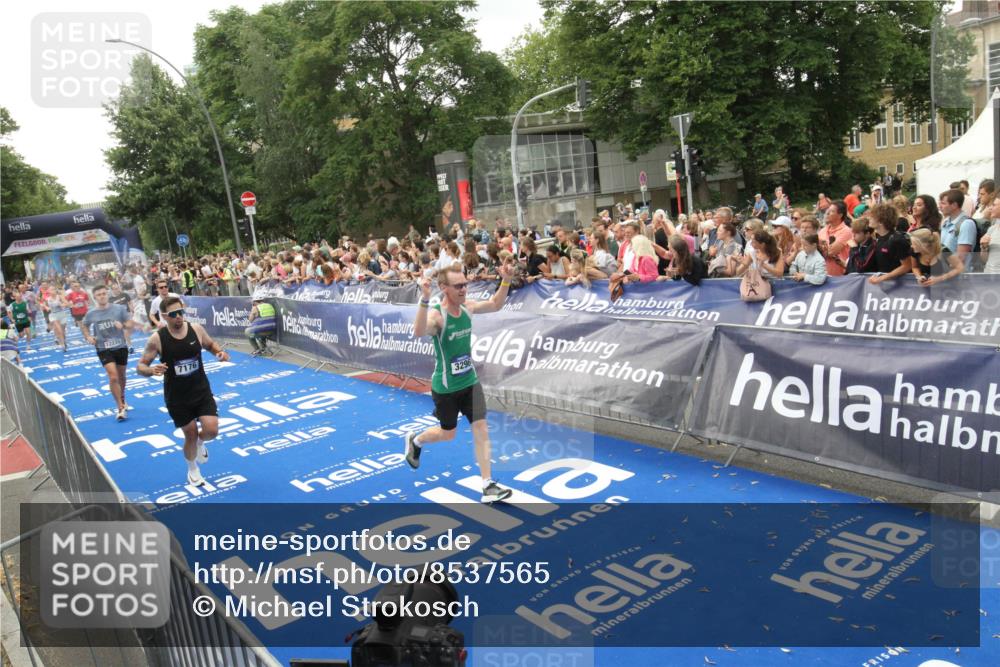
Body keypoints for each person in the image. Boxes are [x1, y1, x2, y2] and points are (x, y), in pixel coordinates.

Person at [404, 262, 515, 504]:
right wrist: (424, 299)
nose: (464, 289)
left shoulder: (468, 307)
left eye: (465, 284)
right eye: (458, 286)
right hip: (445, 387)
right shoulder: (437, 315)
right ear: (444, 288)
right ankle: (416, 440)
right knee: (448, 434)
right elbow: (419, 331)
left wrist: (506, 280)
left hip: (470, 382)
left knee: (481, 428)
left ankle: (487, 484)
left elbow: (495, 304)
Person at [136, 296, 230, 486]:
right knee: (190, 434)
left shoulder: (196, 329)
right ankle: (192, 469)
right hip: (177, 397)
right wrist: (151, 370)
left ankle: (200, 443)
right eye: (173, 314)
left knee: (211, 431)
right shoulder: (157, 339)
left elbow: (210, 344)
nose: (178, 316)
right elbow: (140, 366)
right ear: (164, 316)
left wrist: (219, 353)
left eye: (181, 312)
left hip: (201, 390)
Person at [81, 285, 134, 421]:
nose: (102, 296)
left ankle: (122, 397)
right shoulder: (91, 313)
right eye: (99, 295)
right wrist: (88, 336)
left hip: (120, 346)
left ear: (108, 294)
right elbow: (84, 325)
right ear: (94, 297)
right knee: (113, 377)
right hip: (103, 348)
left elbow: (130, 324)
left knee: (121, 376)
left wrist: (123, 326)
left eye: (104, 293)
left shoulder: (119, 309)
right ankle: (120, 407)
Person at [938, 189, 977, 269]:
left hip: (959, 274)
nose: (940, 206)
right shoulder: (946, 222)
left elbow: (961, 257)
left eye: (943, 203)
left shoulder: (966, 224)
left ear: (954, 205)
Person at [819, 201, 852, 276]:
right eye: (828, 210)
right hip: (823, 275)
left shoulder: (846, 231)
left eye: (832, 211)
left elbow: (830, 252)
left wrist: (819, 247)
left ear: (840, 215)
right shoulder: (822, 230)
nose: (827, 213)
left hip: (839, 277)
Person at [42, 286, 71, 351]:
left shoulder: (59, 297)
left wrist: (62, 305)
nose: (53, 291)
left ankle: (64, 341)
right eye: (51, 290)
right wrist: (47, 308)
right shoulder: (47, 299)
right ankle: (62, 345)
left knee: (63, 331)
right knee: (59, 330)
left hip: (62, 314)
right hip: (53, 315)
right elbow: (44, 305)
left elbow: (67, 303)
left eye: (54, 289)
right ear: (49, 291)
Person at [979, 196, 1000, 274]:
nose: (990, 208)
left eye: (994, 205)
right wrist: (984, 247)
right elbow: (984, 259)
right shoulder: (992, 229)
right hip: (988, 276)